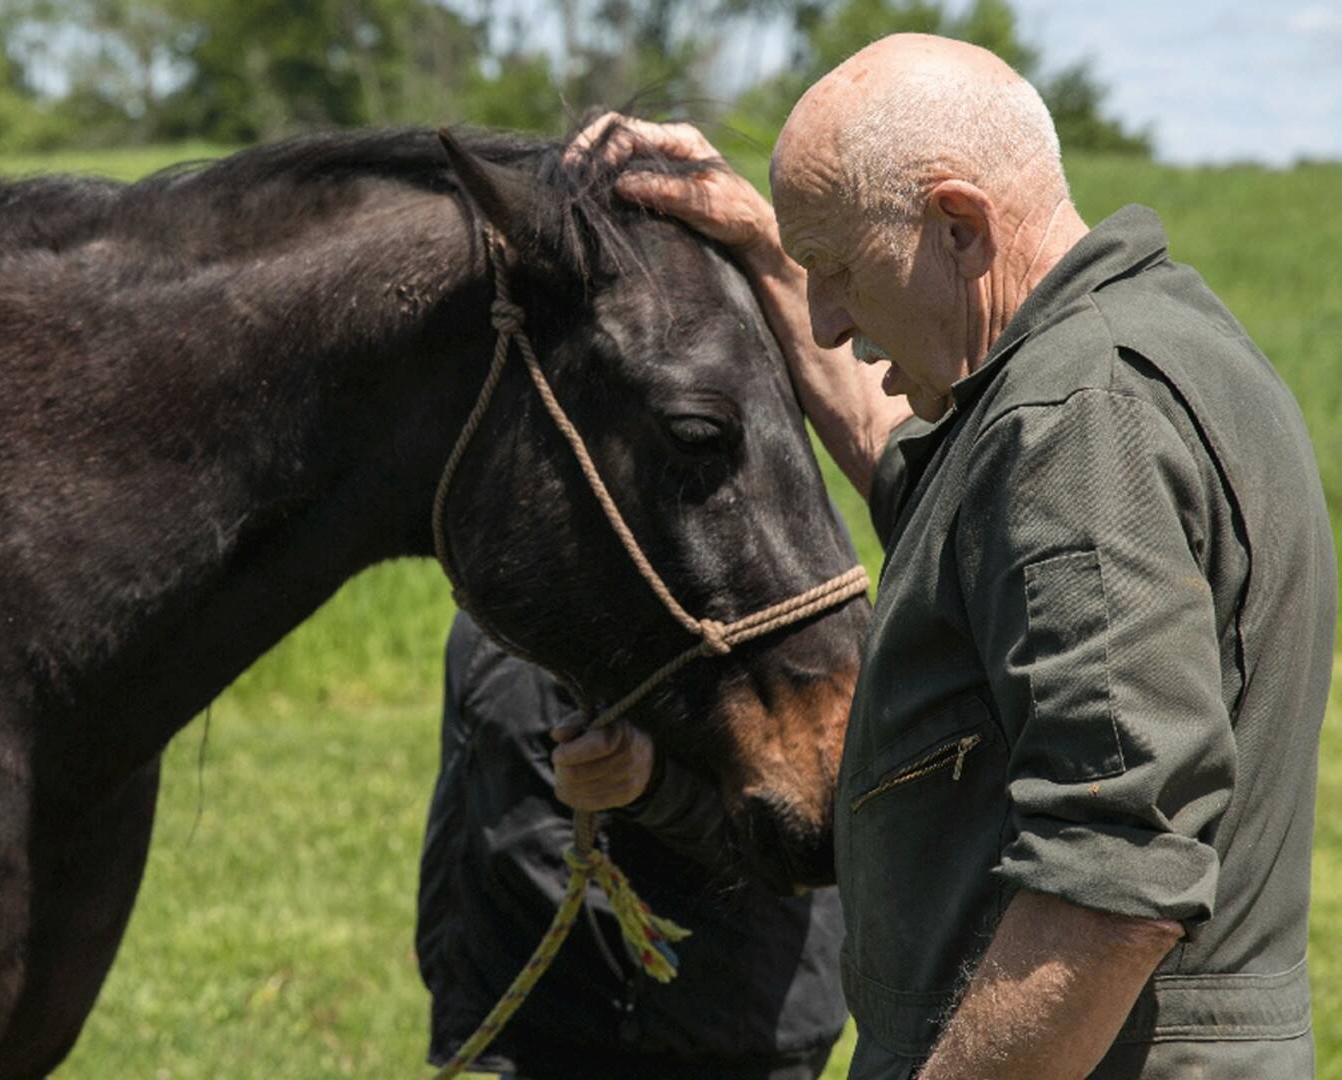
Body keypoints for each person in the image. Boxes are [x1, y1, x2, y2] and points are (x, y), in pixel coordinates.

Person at [548, 33, 1337, 1079]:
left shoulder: (1074, 423)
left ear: (958, 226)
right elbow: (914, 466)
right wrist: (759, 241)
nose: (826, 322)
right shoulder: (1152, 346)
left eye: (837, 269)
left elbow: (1115, 878)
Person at [417, 612, 847, 1080]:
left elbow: (808, 827)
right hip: (560, 1015)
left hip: (722, 1023)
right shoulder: (507, 576)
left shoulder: (743, 577)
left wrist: (657, 784)